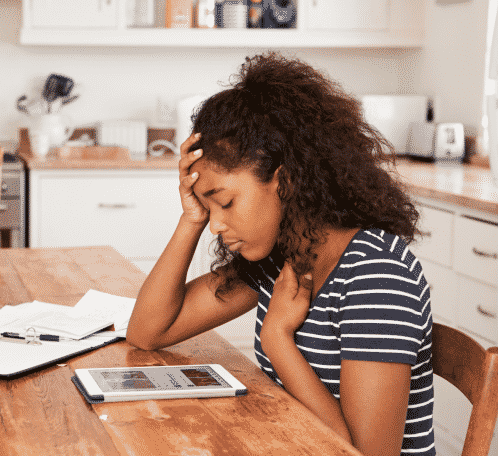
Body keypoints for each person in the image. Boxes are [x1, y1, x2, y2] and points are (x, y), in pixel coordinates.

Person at [126, 52, 434, 456]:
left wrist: (277, 340)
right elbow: (149, 332)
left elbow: (369, 454)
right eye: (208, 209)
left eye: (226, 203)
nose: (216, 225)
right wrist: (191, 218)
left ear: (285, 181)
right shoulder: (282, 258)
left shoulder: (377, 277)